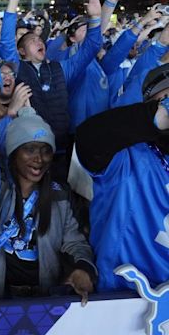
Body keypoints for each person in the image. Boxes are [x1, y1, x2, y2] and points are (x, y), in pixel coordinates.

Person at [0, 106, 96, 302]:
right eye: (30, 149)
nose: (39, 159)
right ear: (13, 152)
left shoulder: (59, 194)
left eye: (46, 151)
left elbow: (76, 243)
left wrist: (83, 269)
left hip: (43, 300)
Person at [76, 63, 169, 292]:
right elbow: (89, 139)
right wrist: (159, 117)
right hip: (124, 293)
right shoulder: (128, 154)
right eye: (166, 97)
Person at [0, 0, 102, 180]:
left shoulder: (61, 68)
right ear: (21, 51)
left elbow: (91, 48)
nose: (39, 41)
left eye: (39, 39)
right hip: (29, 150)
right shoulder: (17, 68)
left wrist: (96, 17)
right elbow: (6, 42)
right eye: (31, 41)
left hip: (62, 150)